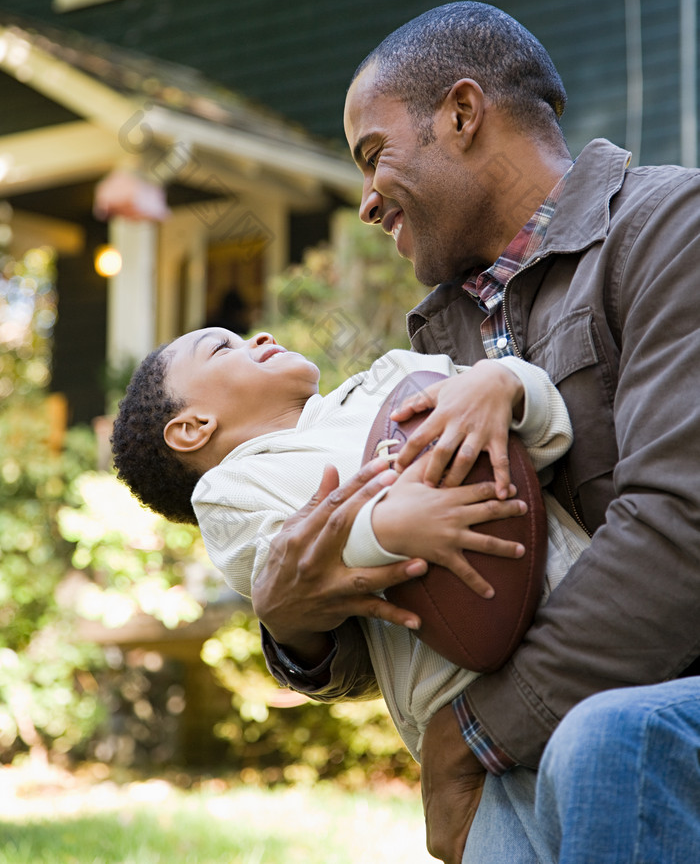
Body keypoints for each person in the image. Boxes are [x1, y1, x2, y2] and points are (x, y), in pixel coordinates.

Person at [250, 1, 700, 864]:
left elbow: (681, 530)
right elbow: (430, 604)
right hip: (566, 723)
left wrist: (474, 737)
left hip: (655, 702)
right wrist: (298, 626)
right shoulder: (436, 342)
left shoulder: (668, 230)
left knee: (606, 742)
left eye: (374, 155)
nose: (367, 201)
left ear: (461, 114)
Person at [110, 326, 584, 762]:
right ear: (193, 427)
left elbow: (545, 441)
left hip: (583, 615)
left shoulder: (391, 378)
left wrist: (503, 384)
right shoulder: (231, 490)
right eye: (222, 347)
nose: (259, 336)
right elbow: (287, 564)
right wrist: (384, 528)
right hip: (469, 708)